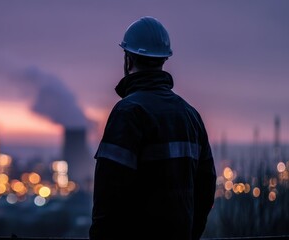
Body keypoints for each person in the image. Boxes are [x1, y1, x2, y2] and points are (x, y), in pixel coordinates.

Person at [89, 16, 216, 240]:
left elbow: (108, 195)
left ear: (128, 59)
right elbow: (206, 188)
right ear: (164, 59)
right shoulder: (190, 115)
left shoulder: (127, 113)